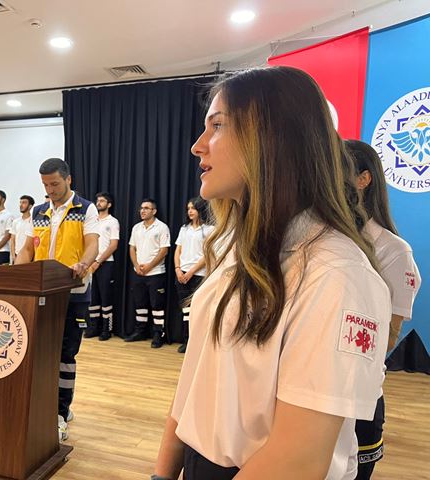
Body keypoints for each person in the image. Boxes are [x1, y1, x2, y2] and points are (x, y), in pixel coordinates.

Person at [154, 67, 390, 480]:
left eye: (217, 126)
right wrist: (163, 472)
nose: (197, 146)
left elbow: (298, 459)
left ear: (272, 138)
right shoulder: (238, 251)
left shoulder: (335, 274)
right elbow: (194, 381)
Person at [346, 139, 422, 480]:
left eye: (336, 169)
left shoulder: (393, 250)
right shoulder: (318, 236)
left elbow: (389, 335)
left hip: (358, 397)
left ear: (364, 179)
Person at [16, 158, 99, 443]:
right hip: (42, 294)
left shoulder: (85, 209)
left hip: (74, 294)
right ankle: (43, 406)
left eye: (54, 184)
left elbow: (93, 243)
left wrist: (84, 263)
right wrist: (16, 275)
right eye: (45, 185)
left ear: (68, 179)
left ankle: (60, 413)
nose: (50, 190)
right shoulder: (38, 211)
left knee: (65, 356)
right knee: (41, 354)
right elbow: (27, 249)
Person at [125, 198, 170, 348]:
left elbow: (164, 250)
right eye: (141, 208)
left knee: (157, 305)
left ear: (154, 211)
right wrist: (136, 265)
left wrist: (149, 266)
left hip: (156, 273)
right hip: (138, 272)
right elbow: (132, 248)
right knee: (140, 303)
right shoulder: (136, 227)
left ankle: (158, 334)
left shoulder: (162, 227)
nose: (142, 211)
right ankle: (140, 331)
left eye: (146, 208)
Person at [173, 197, 214, 353]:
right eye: (188, 208)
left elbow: (208, 254)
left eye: (193, 208)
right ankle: (187, 340)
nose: (190, 211)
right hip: (182, 273)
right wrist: (178, 269)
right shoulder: (184, 229)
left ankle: (197, 343)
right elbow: (178, 250)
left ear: (201, 209)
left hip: (199, 274)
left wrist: (191, 271)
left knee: (198, 310)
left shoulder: (210, 229)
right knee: (186, 310)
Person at [85, 192, 120, 340]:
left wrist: (98, 261)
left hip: (105, 263)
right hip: (89, 263)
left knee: (106, 297)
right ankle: (94, 327)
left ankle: (107, 329)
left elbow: (113, 245)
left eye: (102, 201)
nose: (98, 203)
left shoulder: (113, 222)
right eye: (97, 200)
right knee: (92, 297)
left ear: (109, 204)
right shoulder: (92, 221)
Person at [9, 195, 34, 264]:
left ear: (30, 206)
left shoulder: (33, 221)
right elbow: (12, 240)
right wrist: (13, 256)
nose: (21, 205)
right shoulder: (16, 221)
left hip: (29, 256)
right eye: (20, 202)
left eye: (24, 203)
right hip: (17, 255)